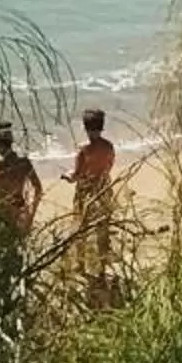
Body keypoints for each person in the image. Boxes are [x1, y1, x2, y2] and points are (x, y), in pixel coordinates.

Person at [68, 107, 118, 285]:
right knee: (102, 230)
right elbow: (110, 164)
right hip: (104, 188)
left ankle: (80, 266)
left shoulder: (83, 150)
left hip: (86, 192)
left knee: (81, 228)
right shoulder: (108, 146)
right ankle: (102, 268)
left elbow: (77, 174)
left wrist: (68, 177)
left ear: (86, 128)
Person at [0, 121, 41, 238]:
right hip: (19, 209)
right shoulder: (24, 163)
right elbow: (38, 189)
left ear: (0, 145)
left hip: (0, 213)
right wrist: (31, 213)